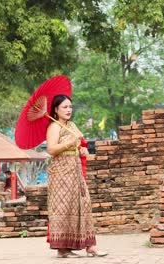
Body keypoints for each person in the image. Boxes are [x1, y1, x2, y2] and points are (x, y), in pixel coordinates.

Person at [46, 94, 107, 258]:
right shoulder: (54, 127)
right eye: (64, 107)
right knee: (64, 207)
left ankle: (91, 246)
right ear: (56, 109)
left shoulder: (71, 125)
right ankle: (62, 249)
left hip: (75, 168)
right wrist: (68, 143)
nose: (68, 110)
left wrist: (82, 150)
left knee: (84, 203)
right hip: (61, 171)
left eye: (70, 107)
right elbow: (51, 149)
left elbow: (79, 144)